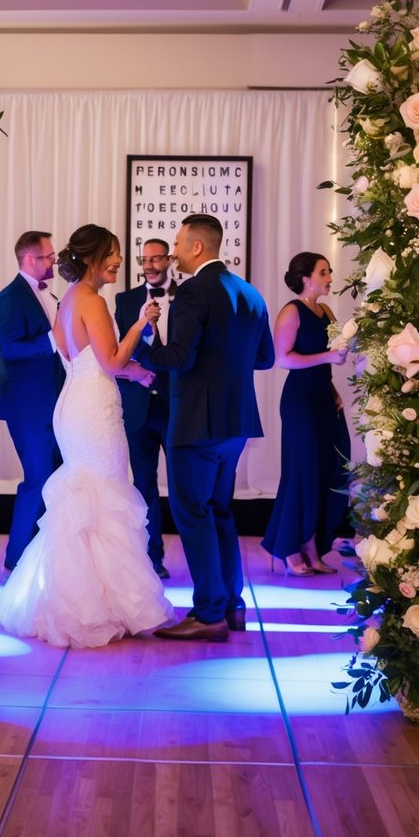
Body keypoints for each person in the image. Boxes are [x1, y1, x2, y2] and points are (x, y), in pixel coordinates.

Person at [0, 224, 173, 647]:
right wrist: (140, 326)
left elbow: (84, 358)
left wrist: (134, 370)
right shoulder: (91, 300)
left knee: (85, 498)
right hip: (94, 409)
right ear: (93, 258)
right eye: (113, 253)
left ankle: (88, 600)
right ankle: (100, 605)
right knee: (104, 496)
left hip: (74, 402)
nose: (119, 261)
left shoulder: (68, 300)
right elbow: (109, 361)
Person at [141, 213, 275, 642]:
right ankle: (232, 604)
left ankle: (207, 612)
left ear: (197, 247)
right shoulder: (250, 293)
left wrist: (139, 347)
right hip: (235, 424)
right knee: (218, 510)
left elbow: (177, 358)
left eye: (178, 244)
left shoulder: (195, 290)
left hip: (196, 423)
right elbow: (265, 359)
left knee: (192, 513)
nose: (174, 252)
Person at [261, 252, 351, 576]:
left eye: (329, 271)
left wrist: (335, 390)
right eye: (323, 272)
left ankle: (313, 545)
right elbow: (283, 360)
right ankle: (290, 548)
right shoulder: (291, 311)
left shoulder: (326, 310)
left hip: (325, 398)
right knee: (303, 473)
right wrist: (328, 355)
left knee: (332, 469)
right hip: (299, 402)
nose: (329, 277)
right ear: (306, 278)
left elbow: (327, 360)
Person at [0, 230, 67, 570]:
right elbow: (10, 349)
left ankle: (44, 556)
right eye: (49, 256)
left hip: (54, 402)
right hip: (28, 407)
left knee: (56, 478)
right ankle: (16, 560)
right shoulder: (10, 297)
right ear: (30, 259)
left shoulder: (49, 295)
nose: (54, 260)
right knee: (37, 478)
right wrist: (52, 338)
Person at [114, 237, 176, 579]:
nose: (150, 265)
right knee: (144, 485)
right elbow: (119, 346)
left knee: (183, 483)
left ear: (167, 260)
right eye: (145, 259)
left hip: (175, 403)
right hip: (137, 404)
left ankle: (196, 556)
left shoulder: (187, 296)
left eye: (156, 259)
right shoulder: (125, 300)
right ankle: (152, 557)